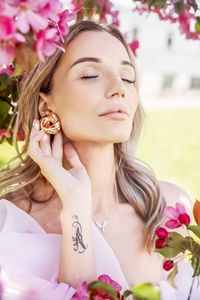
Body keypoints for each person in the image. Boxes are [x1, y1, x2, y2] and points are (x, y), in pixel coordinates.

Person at [0, 20, 196, 299]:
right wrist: (76, 203)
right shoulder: (13, 224)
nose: (119, 89)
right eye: (90, 74)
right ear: (46, 105)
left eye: (127, 78)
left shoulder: (172, 209)